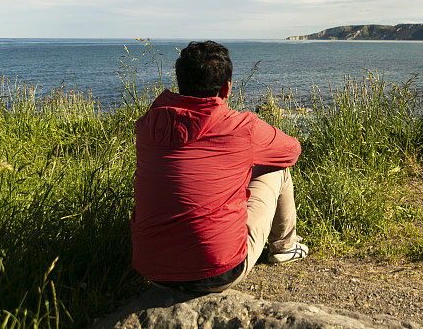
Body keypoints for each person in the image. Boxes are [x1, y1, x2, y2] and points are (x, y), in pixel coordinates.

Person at [130, 40, 307, 293]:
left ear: (180, 82)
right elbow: (292, 151)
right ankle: (284, 247)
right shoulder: (241, 127)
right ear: (227, 87)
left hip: (153, 271)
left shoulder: (148, 124)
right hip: (219, 272)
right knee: (278, 169)